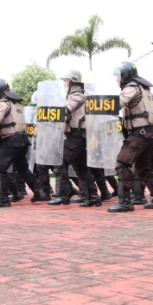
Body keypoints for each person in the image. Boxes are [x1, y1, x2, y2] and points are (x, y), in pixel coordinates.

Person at [108, 61, 153, 213]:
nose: (117, 79)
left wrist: (101, 105)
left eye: (118, 75)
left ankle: (125, 202)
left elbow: (118, 103)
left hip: (140, 134)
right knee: (144, 169)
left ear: (125, 75)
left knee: (122, 164)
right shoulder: (145, 88)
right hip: (150, 133)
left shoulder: (131, 87)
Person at [0, 79, 49, 207]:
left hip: (11, 141)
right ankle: (40, 192)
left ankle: (3, 200)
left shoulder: (2, 103)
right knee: (23, 169)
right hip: (22, 140)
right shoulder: (16, 103)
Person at [48, 70, 101, 207]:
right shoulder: (74, 94)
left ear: (72, 81)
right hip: (78, 135)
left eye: (66, 80)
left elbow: (69, 107)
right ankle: (93, 196)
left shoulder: (76, 94)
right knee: (81, 168)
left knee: (60, 163)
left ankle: (63, 195)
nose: (64, 83)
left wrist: (57, 112)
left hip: (77, 135)